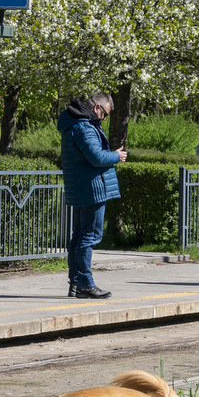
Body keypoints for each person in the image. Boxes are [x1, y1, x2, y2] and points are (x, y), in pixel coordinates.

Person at [57, 92, 126, 299]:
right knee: (89, 236)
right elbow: (96, 157)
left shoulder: (76, 123)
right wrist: (116, 155)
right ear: (97, 107)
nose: (104, 119)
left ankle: (76, 283)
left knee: (79, 236)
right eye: (104, 114)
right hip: (91, 188)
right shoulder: (83, 127)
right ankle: (85, 284)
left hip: (82, 186)